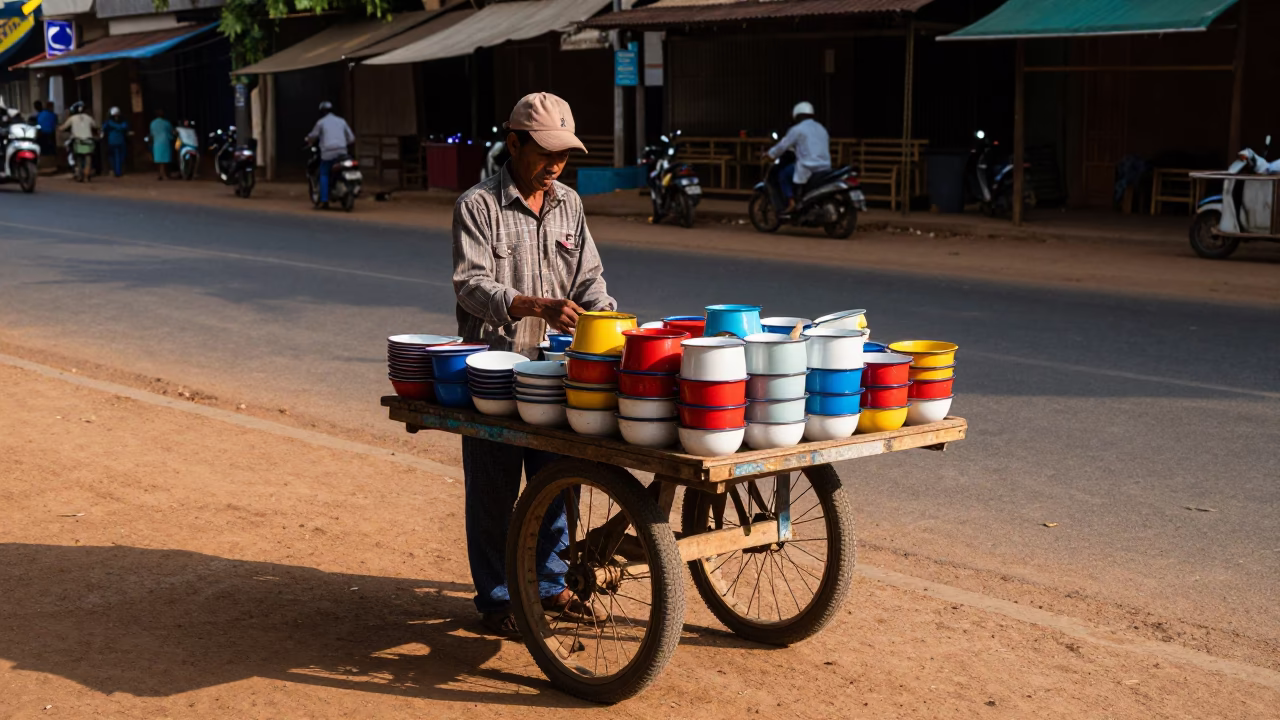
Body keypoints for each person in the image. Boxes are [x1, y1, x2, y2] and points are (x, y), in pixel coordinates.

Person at [452, 92, 615, 638]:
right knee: (495, 489)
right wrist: (534, 304)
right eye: (544, 154)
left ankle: (549, 584)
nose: (554, 167)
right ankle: (497, 600)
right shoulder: (477, 206)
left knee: (558, 481)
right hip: (496, 370)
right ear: (514, 142)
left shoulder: (569, 203)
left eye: (563, 156)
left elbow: (589, 278)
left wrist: (607, 318)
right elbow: (472, 285)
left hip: (556, 372)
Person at [764, 101, 831, 212]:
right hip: (825, 167)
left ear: (798, 116)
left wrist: (770, 154)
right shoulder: (821, 128)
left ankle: (791, 202)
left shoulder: (797, 129)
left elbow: (782, 145)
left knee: (783, 175)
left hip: (807, 167)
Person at [306, 101, 355, 209]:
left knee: (324, 174)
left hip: (328, 153)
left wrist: (308, 140)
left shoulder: (321, 123)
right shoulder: (342, 121)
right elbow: (351, 138)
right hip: (342, 152)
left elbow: (313, 135)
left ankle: (324, 201)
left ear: (322, 112)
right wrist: (342, 144)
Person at [60, 101, 98, 182]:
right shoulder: (89, 117)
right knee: (89, 158)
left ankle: (79, 174)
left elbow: (63, 128)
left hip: (77, 141)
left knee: (78, 158)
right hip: (88, 141)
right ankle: (87, 175)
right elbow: (95, 126)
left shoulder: (72, 118)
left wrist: (59, 128)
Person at [103, 107, 129, 178]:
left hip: (114, 141)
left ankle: (117, 171)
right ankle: (117, 172)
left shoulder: (109, 122)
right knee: (117, 157)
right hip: (116, 142)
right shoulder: (119, 122)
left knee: (117, 157)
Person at [150, 109, 175, 180]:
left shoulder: (153, 123)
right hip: (165, 142)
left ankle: (159, 174)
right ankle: (165, 174)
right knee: (165, 160)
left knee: (158, 160)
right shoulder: (166, 123)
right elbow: (171, 132)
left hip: (156, 142)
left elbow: (152, 133)